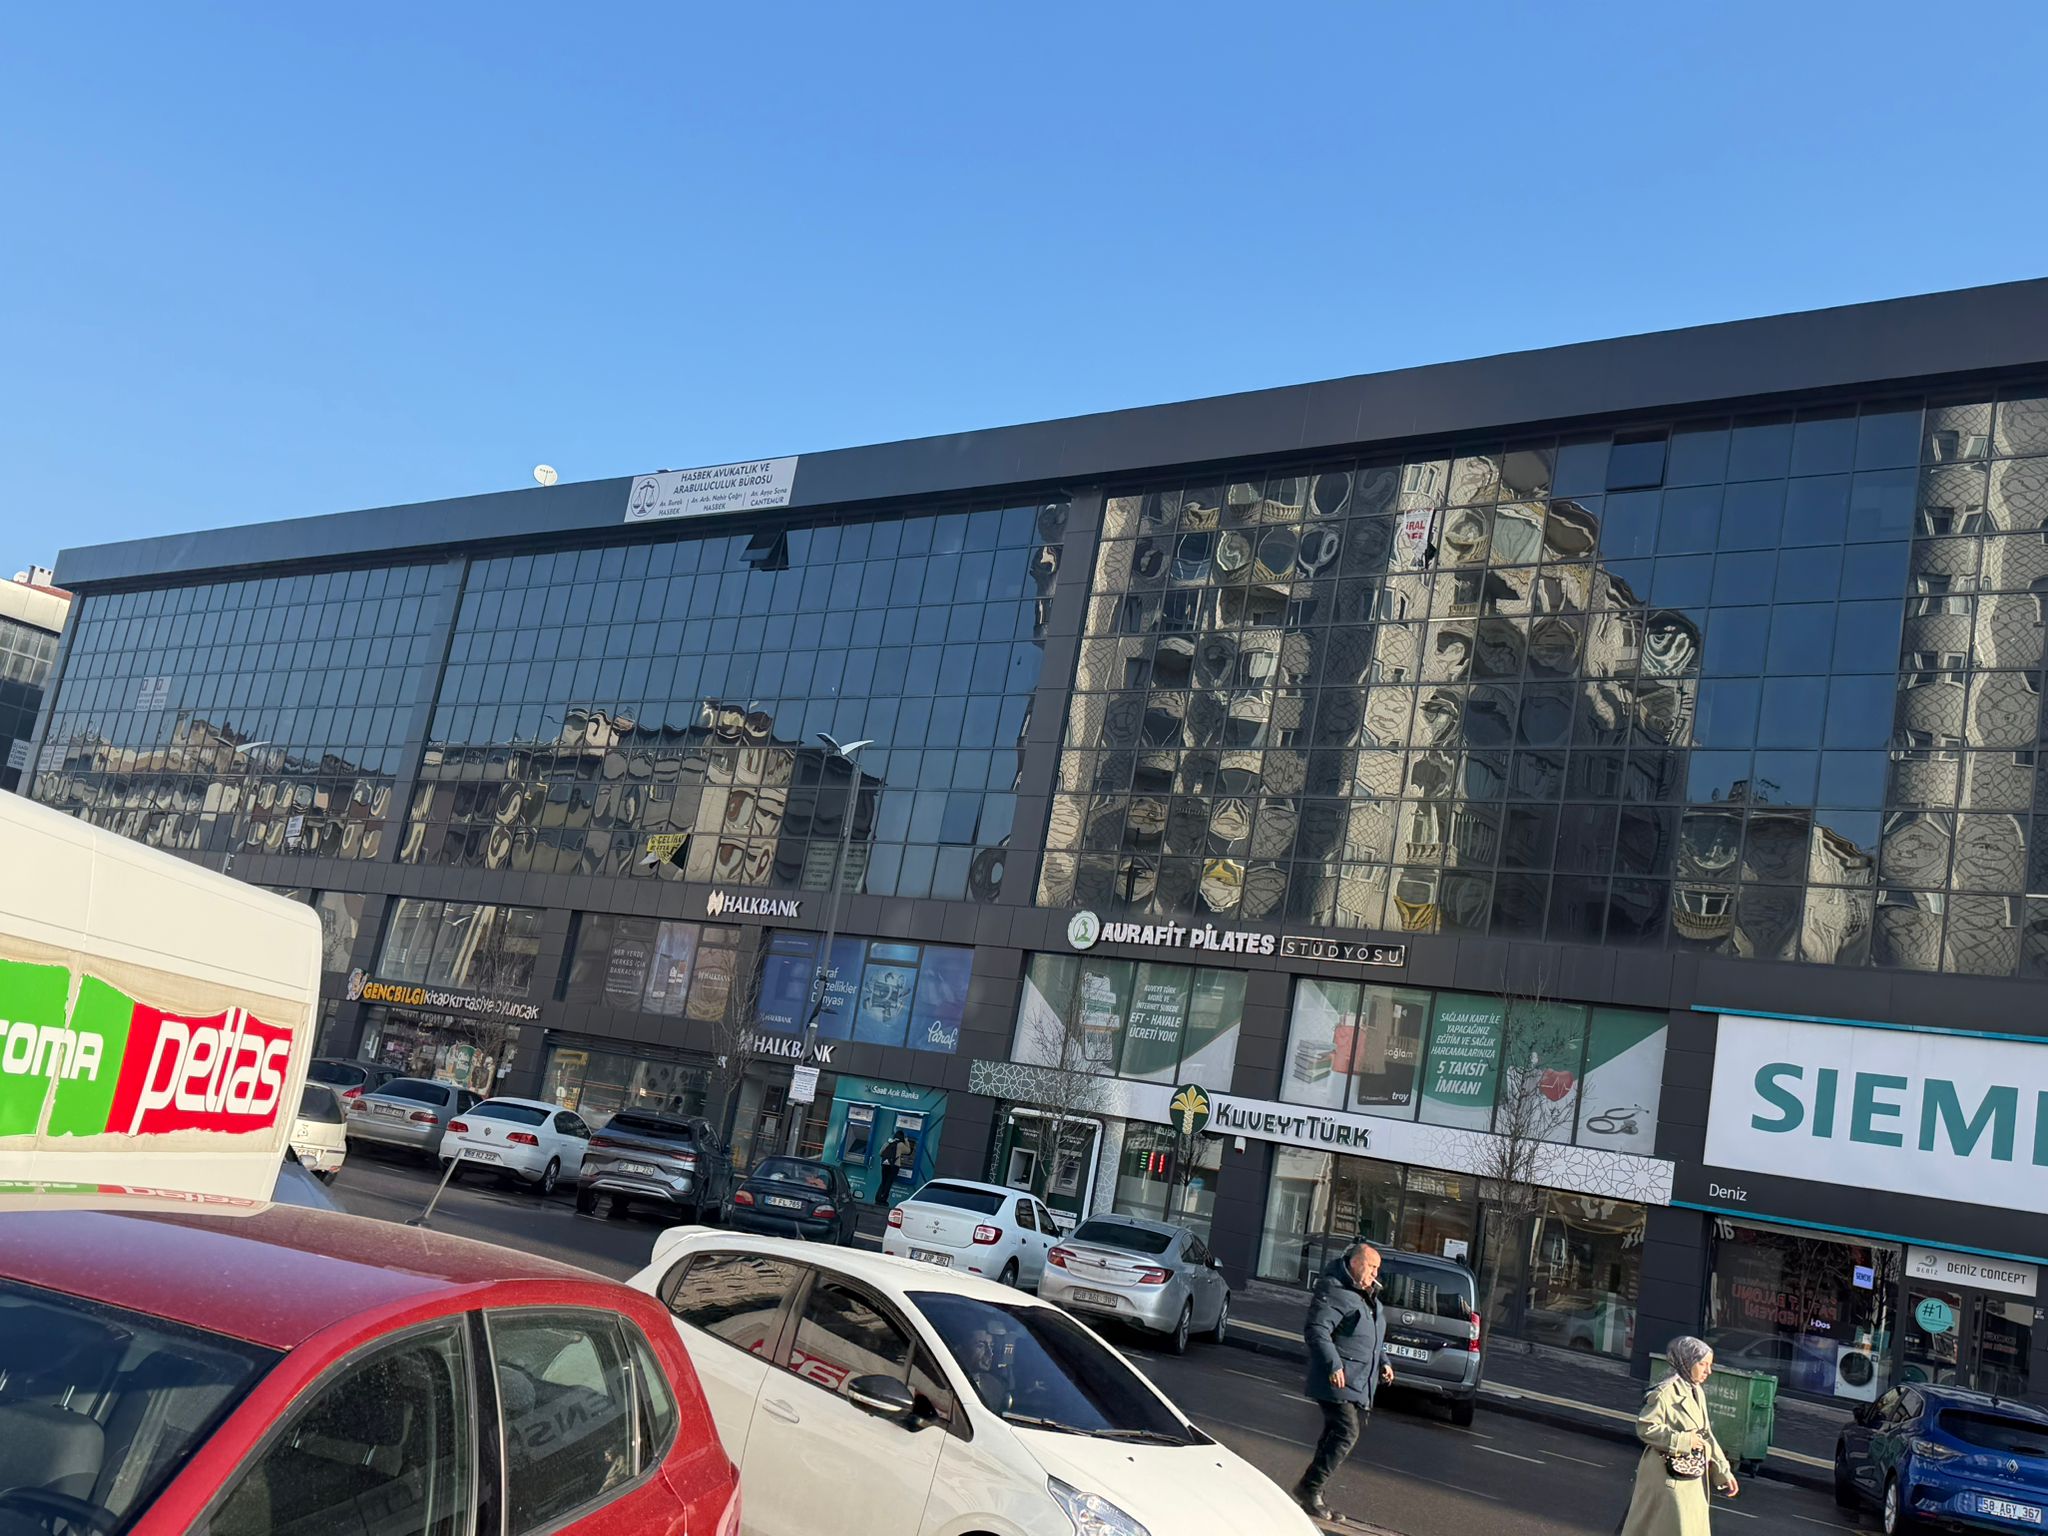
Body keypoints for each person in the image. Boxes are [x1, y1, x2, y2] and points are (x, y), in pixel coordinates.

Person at [1291, 1241, 1394, 1522]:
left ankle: (1312, 1491)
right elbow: (1317, 1330)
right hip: (1337, 1379)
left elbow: (1372, 1337)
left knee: (1334, 1434)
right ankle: (1310, 1488)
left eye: (1377, 1268)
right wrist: (1333, 1364)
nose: (1375, 1273)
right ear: (1356, 1263)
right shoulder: (1335, 1290)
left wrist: (1383, 1362)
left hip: (1357, 1379)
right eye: (1372, 1266)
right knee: (1347, 1431)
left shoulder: (1366, 1296)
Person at [1617, 1335, 1738, 1535]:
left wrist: (1723, 1471)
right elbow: (1646, 1427)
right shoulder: (1665, 1393)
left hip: (1689, 1475)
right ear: (1687, 1362)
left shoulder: (1696, 1390)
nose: (1708, 1371)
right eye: (1703, 1364)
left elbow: (1706, 1434)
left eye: (1710, 1365)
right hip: (1668, 1477)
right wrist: (1684, 1440)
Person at [874, 1129, 913, 1206]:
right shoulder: (901, 1145)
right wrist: (906, 1141)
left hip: (885, 1164)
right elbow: (908, 1151)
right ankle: (883, 1200)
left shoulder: (888, 1142)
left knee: (883, 1181)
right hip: (894, 1166)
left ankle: (878, 1198)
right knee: (889, 1182)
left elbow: (880, 1153)